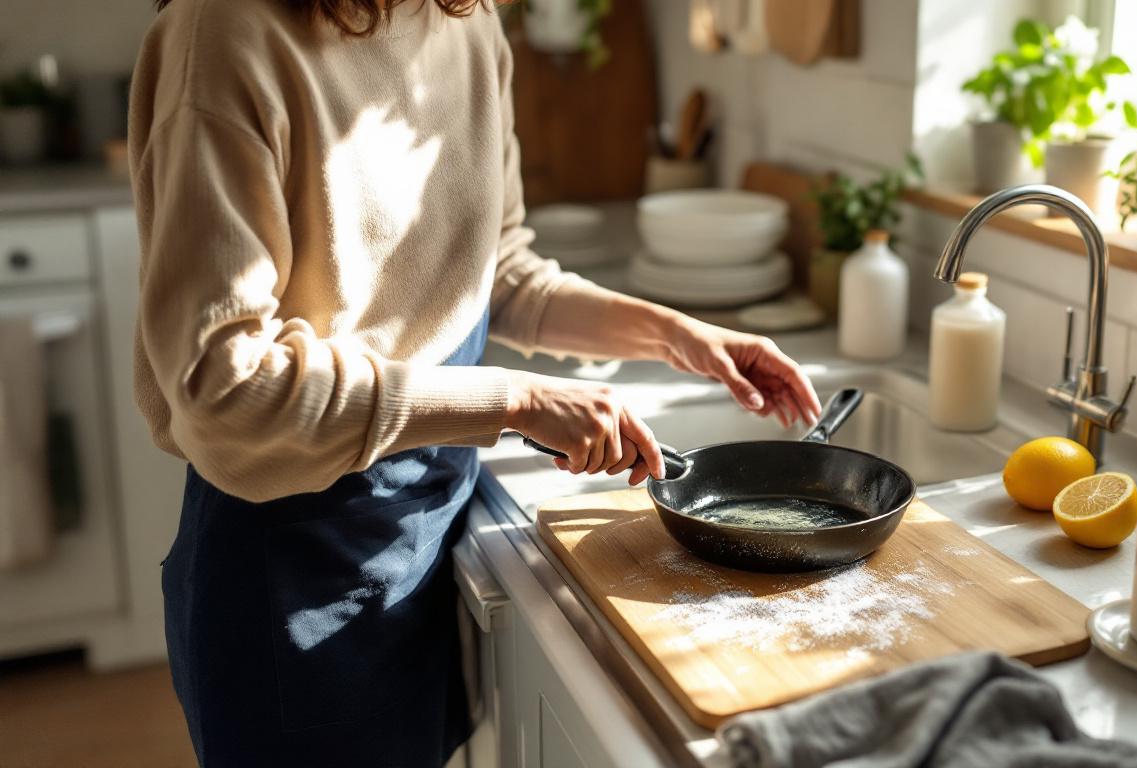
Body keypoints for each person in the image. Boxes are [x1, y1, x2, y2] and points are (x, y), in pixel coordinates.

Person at [129, 0, 821, 764]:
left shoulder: (465, 20)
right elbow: (227, 391)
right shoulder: (222, 34)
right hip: (290, 566)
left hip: (428, 531)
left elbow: (496, 273)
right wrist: (516, 400)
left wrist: (679, 335)